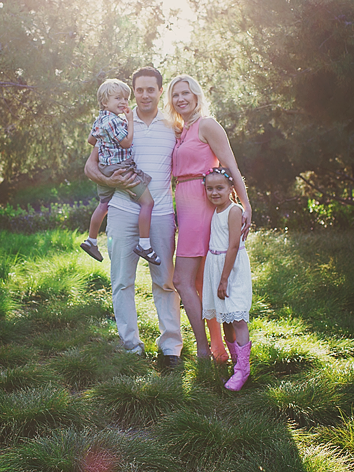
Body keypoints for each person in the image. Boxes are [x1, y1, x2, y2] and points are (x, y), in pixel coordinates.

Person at [84, 67, 182, 368]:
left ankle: (170, 349)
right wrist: (114, 183)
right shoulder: (116, 123)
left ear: (159, 91)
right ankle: (131, 346)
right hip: (122, 212)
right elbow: (90, 167)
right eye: (139, 90)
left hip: (162, 213)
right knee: (121, 281)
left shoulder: (174, 125)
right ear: (133, 92)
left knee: (165, 282)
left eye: (150, 89)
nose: (144, 95)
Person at [167, 74, 252, 361]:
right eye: (175, 94)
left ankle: (205, 349)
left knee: (182, 279)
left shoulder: (207, 125)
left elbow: (231, 166)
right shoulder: (181, 130)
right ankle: (218, 350)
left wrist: (246, 205)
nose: (180, 99)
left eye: (185, 93)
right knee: (202, 280)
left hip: (204, 206)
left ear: (196, 95)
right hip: (185, 204)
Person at [80, 79, 161, 266]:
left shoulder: (100, 120)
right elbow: (126, 142)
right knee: (148, 203)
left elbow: (91, 140)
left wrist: (105, 144)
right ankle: (144, 244)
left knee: (104, 204)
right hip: (121, 168)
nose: (124, 102)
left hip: (106, 168)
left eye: (125, 98)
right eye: (118, 98)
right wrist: (130, 121)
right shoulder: (114, 121)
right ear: (104, 102)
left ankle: (91, 240)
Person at [201, 167, 253, 391]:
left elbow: (233, 245)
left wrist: (224, 280)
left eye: (219, 188)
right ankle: (235, 363)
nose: (214, 193)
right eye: (209, 188)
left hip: (230, 270)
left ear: (231, 188)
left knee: (238, 319)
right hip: (216, 267)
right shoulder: (215, 210)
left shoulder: (234, 210)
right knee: (226, 319)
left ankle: (243, 370)